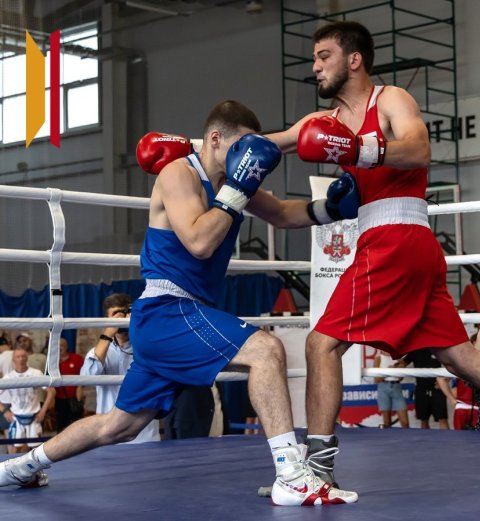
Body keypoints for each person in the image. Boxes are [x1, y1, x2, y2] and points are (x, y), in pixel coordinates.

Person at [264, 21, 480, 489]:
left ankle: (315, 470)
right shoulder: (323, 122)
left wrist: (360, 148)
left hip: (395, 239)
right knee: (461, 357)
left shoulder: (390, 99)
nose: (315, 66)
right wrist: (199, 154)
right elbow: (269, 144)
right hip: (401, 243)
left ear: (354, 59)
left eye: (324, 56)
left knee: (322, 344)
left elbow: (419, 150)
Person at [0, 100, 358, 506]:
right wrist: (239, 189)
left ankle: (19, 467)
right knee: (266, 350)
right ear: (215, 139)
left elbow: (280, 213)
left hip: (183, 318)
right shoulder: (179, 174)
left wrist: (330, 208)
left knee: (117, 426)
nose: (247, 159)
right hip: (168, 310)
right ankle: (291, 476)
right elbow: (200, 242)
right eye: (241, 147)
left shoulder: (231, 181)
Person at [81, 293, 160, 444]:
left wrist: (138, 326)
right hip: (109, 436)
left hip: (145, 436)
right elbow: (88, 377)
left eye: (124, 313)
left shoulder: (148, 346)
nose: (121, 319)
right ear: (106, 319)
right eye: (115, 315)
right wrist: (108, 333)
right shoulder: (98, 352)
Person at [0, 347, 55, 454]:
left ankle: (36, 465)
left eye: (23, 356)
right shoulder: (9, 377)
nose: (21, 359)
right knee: (15, 450)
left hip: (34, 417)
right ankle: (15, 466)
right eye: (18, 357)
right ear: (13, 359)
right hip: (16, 418)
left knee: (37, 450)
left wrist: (43, 411)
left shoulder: (36, 373)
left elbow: (51, 391)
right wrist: (4, 411)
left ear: (27, 358)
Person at [402, 349, 449, 430]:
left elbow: (451, 364)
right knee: (423, 420)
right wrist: (394, 366)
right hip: (421, 389)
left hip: (437, 389)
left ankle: (448, 439)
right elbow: (403, 363)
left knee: (442, 418)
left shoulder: (437, 349)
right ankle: (424, 439)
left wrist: (446, 379)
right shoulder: (415, 350)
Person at [54, 337, 84, 432]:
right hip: (58, 398)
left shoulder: (77, 358)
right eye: (57, 346)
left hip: (74, 398)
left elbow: (84, 376)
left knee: (76, 424)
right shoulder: (52, 361)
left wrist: (80, 392)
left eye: (61, 346)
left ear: (66, 347)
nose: (59, 348)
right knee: (61, 425)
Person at [373, 352, 409, 429]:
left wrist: (399, 370)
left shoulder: (398, 359)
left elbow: (400, 378)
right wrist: (389, 371)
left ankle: (407, 436)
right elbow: (376, 379)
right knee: (387, 422)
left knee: (405, 423)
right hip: (383, 387)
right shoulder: (378, 358)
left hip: (396, 386)